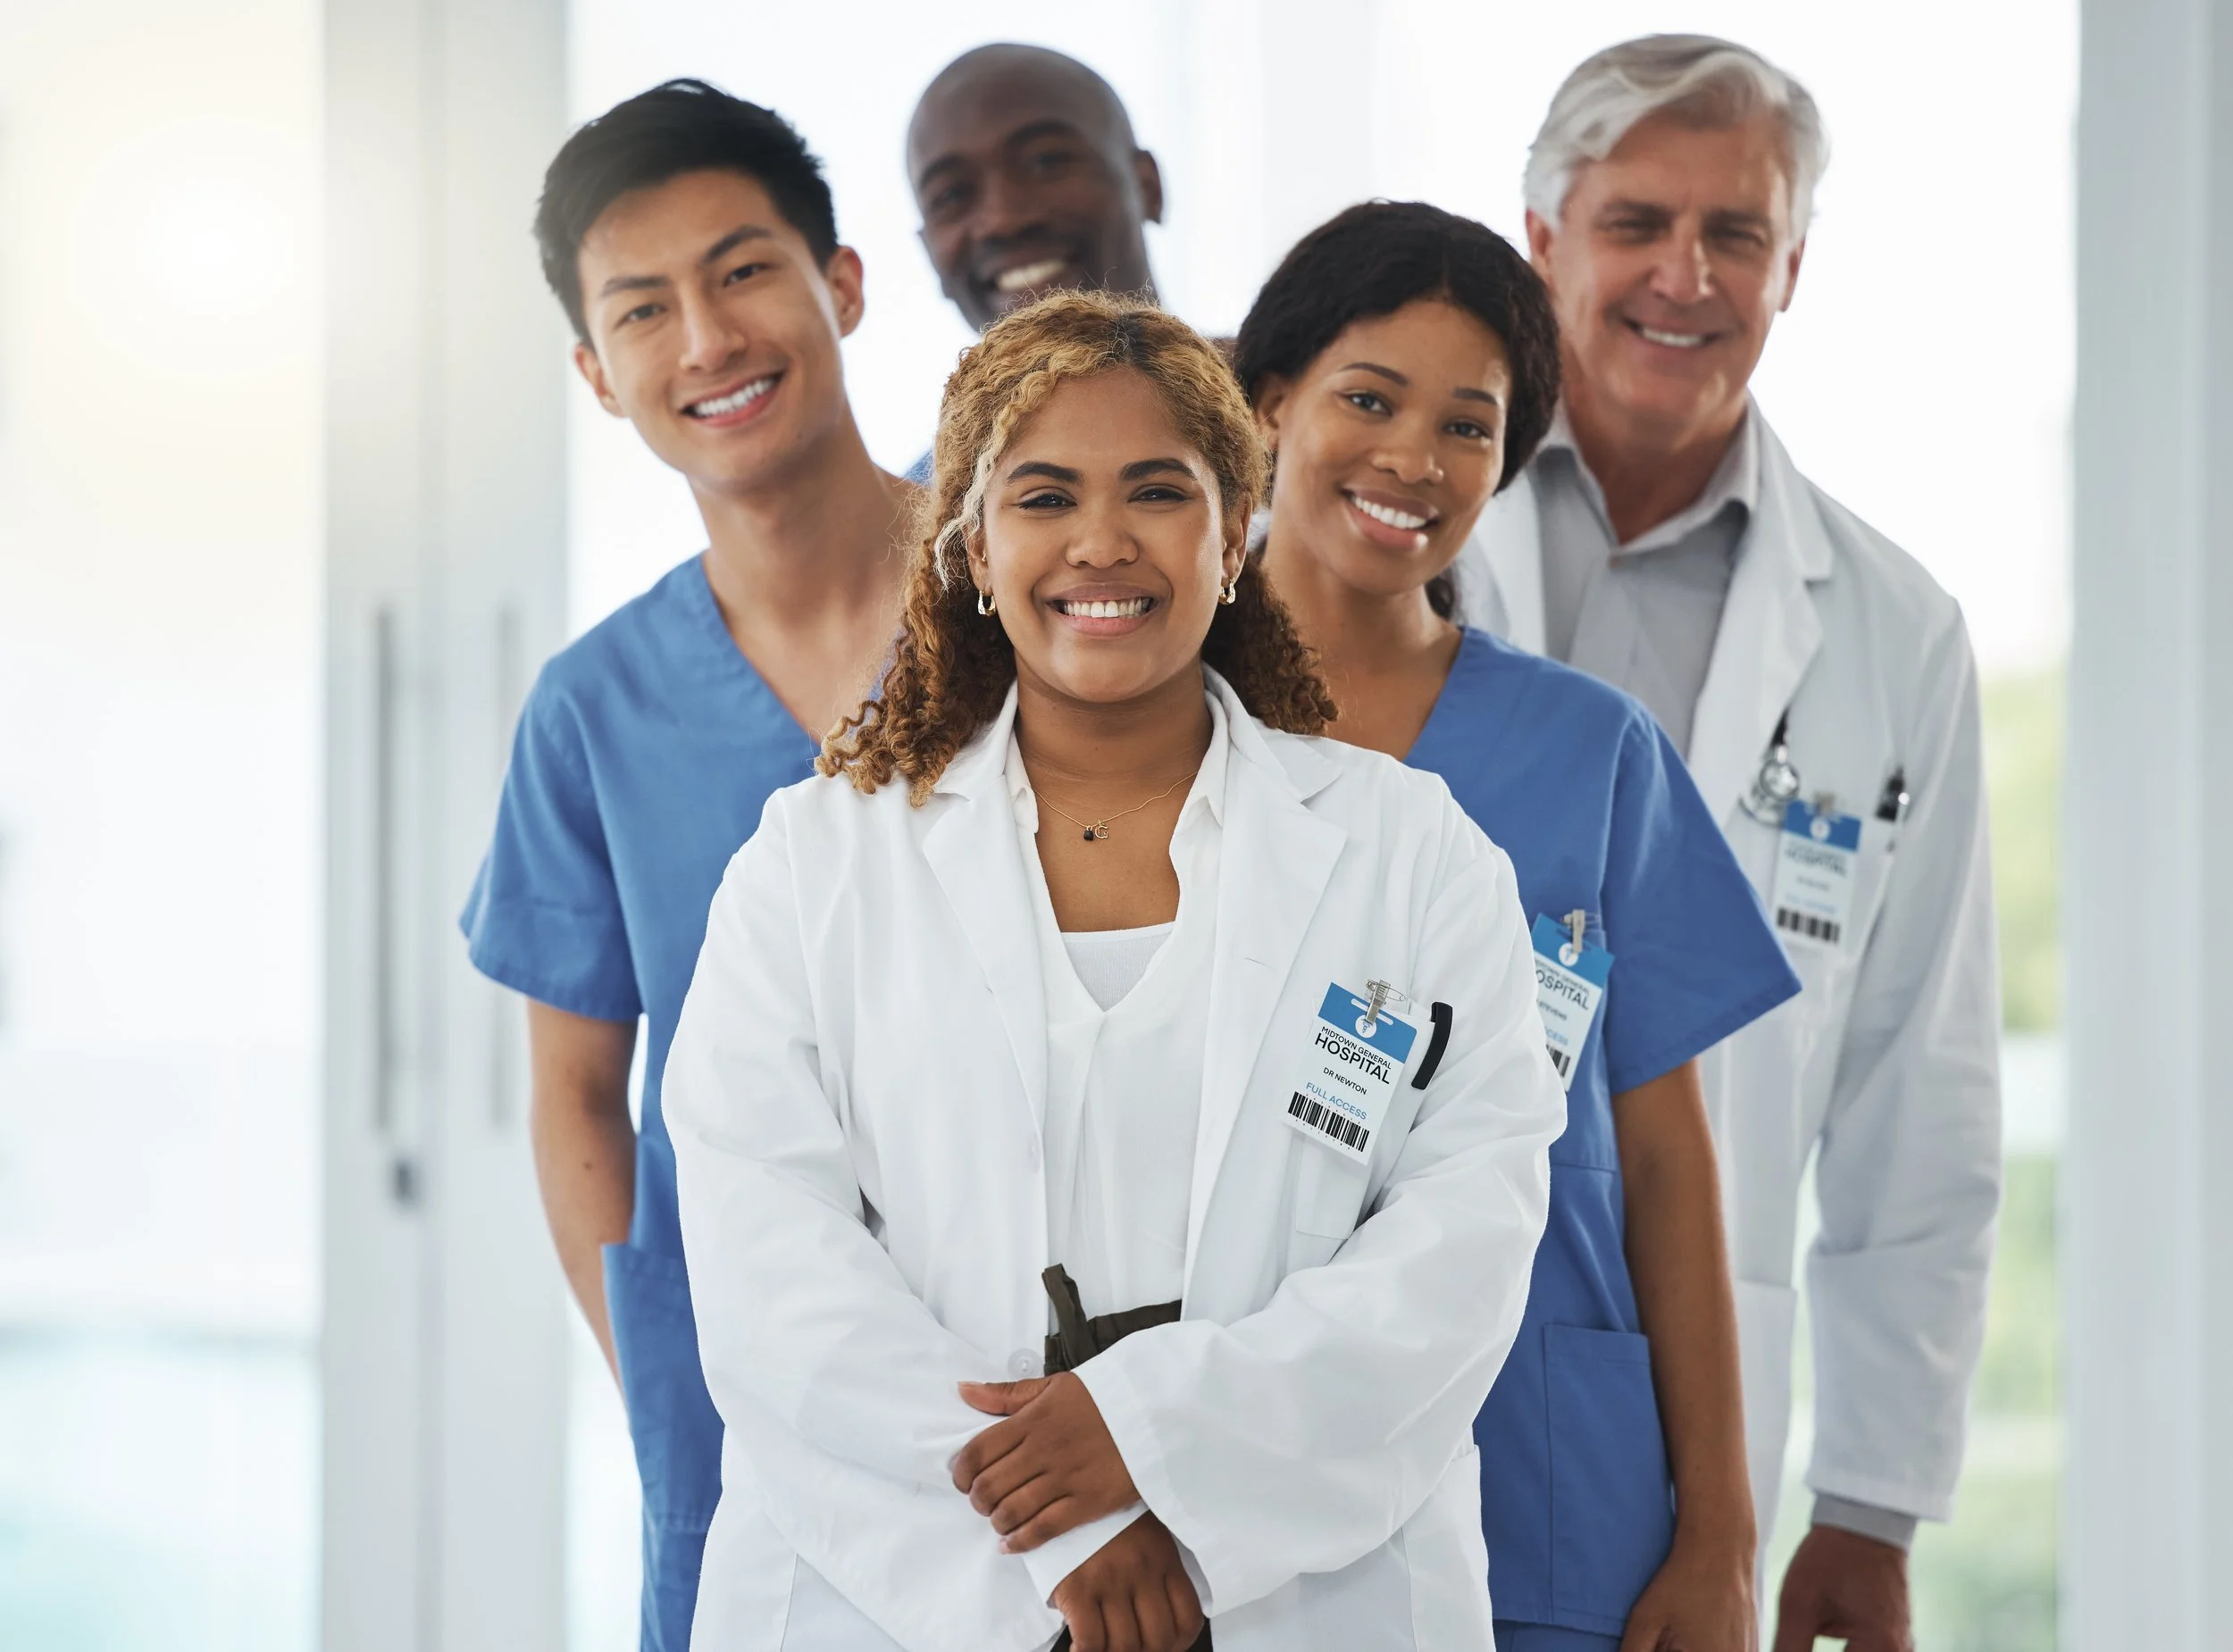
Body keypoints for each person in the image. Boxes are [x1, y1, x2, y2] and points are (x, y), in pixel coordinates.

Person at [665, 290, 1568, 1651]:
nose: (1102, 541)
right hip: (903, 1595)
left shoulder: (1412, 855)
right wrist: (1076, 1533)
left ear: (1232, 534)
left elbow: (1465, 1241)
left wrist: (1156, 1446)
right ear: (972, 544)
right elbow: (768, 1266)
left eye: (1159, 490)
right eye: (1042, 497)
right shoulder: (813, 866)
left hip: (1306, 1600)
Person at [1456, 37, 2003, 1649]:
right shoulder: (1369, 542)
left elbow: (1924, 1091)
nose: (1684, 276)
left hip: (1699, 1391)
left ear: (1794, 269)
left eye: (1737, 235)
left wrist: (1873, 1501)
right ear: (1543, 241)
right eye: (1636, 223)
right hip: (1370, 1312)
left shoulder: (1894, 635)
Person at [1242, 200, 1802, 1651]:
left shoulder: (1593, 758)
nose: (1415, 460)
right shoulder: (1146, 733)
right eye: (1369, 399)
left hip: (1548, 1468)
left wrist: (1726, 1535)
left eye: (1470, 426)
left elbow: (1670, 1160)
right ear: (1267, 404)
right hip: (1229, 1458)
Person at [458, 80, 916, 1651]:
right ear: (598, 374)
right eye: (643, 310)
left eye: (743, 271)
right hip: (742, 1394)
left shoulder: (1037, 607)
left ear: (840, 284)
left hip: (1052, 1353)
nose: (708, 340)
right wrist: (661, 1367)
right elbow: (579, 1092)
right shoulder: (597, 710)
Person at [907, 44, 1164, 333]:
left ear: (1147, 186)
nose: (1003, 220)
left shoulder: (1225, 375)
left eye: (1047, 161)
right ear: (929, 251)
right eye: (952, 194)